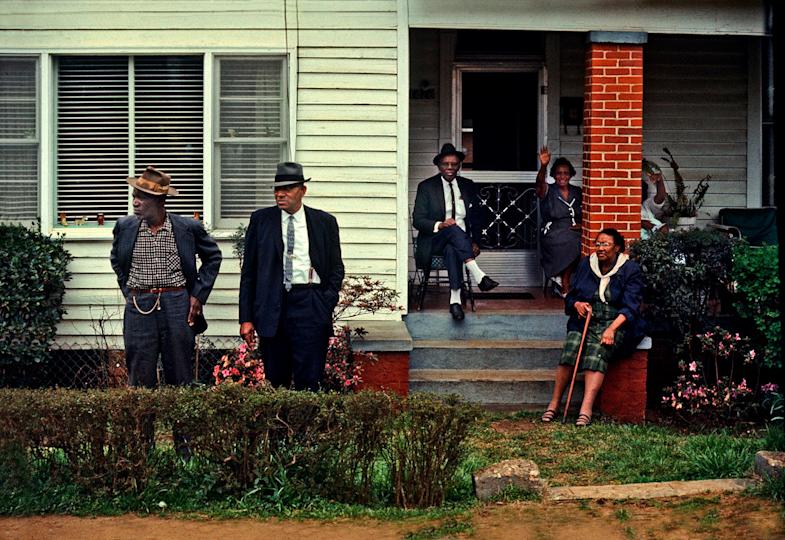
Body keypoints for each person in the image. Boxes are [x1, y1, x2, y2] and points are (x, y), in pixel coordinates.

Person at [111, 166, 222, 388]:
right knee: (140, 378)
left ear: (160, 200)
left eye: (142, 198)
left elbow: (213, 258)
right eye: (134, 196)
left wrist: (197, 296)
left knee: (180, 375)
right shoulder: (125, 227)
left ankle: (179, 422)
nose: (135, 202)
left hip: (177, 304)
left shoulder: (186, 228)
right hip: (139, 305)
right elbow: (117, 260)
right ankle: (143, 422)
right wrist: (130, 292)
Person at [239, 162, 344, 391]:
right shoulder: (261, 221)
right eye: (277, 189)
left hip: (310, 302)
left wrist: (326, 301)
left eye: (287, 189)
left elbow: (336, 268)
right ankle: (279, 427)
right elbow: (249, 273)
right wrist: (246, 318)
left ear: (302, 191)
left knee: (310, 379)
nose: (280, 194)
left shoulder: (324, 222)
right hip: (272, 306)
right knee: (277, 380)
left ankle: (306, 427)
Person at [541, 228, 645, 426]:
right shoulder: (586, 265)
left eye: (605, 244)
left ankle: (585, 409)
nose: (600, 248)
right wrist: (577, 304)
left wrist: (611, 329)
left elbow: (631, 307)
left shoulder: (630, 269)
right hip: (586, 319)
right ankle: (554, 404)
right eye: (598, 244)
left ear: (617, 248)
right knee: (570, 349)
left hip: (615, 323)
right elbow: (571, 295)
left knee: (597, 350)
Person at [412, 143, 499, 321]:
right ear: (439, 165)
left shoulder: (468, 186)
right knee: (451, 228)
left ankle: (455, 302)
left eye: (454, 164)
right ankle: (478, 274)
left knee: (453, 249)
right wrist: (440, 225)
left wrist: (475, 242)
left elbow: (476, 218)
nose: (450, 168)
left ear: (459, 165)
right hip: (434, 241)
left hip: (461, 244)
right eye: (446, 164)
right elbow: (418, 220)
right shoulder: (426, 187)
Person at [536, 147, 581, 297]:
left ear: (571, 175)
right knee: (574, 242)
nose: (562, 176)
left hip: (574, 229)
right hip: (553, 231)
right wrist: (543, 166)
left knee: (583, 240)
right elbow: (539, 185)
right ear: (554, 175)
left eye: (566, 173)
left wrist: (582, 225)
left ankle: (561, 278)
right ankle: (565, 282)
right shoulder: (549, 189)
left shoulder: (577, 191)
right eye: (559, 173)